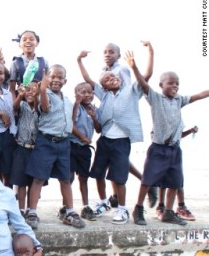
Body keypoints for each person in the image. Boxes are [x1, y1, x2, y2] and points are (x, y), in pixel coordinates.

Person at [127, 52, 209, 226]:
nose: (175, 86)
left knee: (175, 181)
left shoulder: (179, 100)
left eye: (177, 83)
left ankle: (169, 212)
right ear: (161, 85)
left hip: (175, 149)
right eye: (171, 83)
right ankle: (138, 209)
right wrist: (134, 67)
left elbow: (198, 96)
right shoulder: (156, 98)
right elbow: (143, 83)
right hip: (158, 149)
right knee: (148, 180)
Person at [77, 47, 148, 225]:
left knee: (119, 178)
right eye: (108, 79)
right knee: (98, 174)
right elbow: (99, 129)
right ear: (104, 87)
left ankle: (122, 209)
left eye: (114, 76)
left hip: (121, 142)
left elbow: (146, 76)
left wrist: (134, 66)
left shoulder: (130, 92)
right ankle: (103, 203)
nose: (113, 78)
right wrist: (79, 61)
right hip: (105, 141)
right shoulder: (104, 97)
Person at [25, 65, 85, 229]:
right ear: (47, 78)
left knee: (65, 179)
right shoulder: (44, 95)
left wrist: (77, 104)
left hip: (63, 143)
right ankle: (32, 212)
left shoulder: (67, 100)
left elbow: (70, 121)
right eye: (53, 76)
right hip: (46, 142)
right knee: (38, 178)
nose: (56, 80)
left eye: (60, 77)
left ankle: (70, 211)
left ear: (65, 81)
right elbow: (45, 107)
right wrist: (43, 89)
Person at [69, 82, 101, 221]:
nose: (87, 95)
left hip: (85, 149)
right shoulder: (75, 107)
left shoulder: (95, 109)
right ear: (76, 94)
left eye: (89, 92)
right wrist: (82, 137)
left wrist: (94, 118)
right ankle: (67, 206)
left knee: (83, 178)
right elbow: (70, 123)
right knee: (68, 178)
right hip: (71, 146)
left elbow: (99, 129)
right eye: (82, 92)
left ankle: (85, 206)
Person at [156, 126, 198, 221]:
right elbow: (156, 135)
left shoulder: (178, 118)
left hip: (175, 149)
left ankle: (181, 207)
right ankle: (161, 207)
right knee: (163, 180)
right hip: (162, 149)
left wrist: (190, 131)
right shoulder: (162, 114)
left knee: (178, 179)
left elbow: (178, 135)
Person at [10, 82, 39, 217]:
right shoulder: (21, 105)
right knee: (21, 182)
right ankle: (21, 209)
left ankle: (30, 209)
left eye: (34, 90)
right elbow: (14, 107)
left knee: (34, 181)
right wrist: (19, 95)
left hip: (36, 150)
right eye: (27, 90)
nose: (30, 92)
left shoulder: (41, 107)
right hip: (22, 147)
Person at [8, 30, 49, 100]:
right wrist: (14, 107)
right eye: (24, 40)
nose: (28, 41)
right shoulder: (15, 63)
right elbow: (12, 89)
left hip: (40, 102)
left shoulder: (44, 62)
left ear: (37, 43)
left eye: (31, 39)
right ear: (19, 45)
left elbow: (47, 86)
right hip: (22, 102)